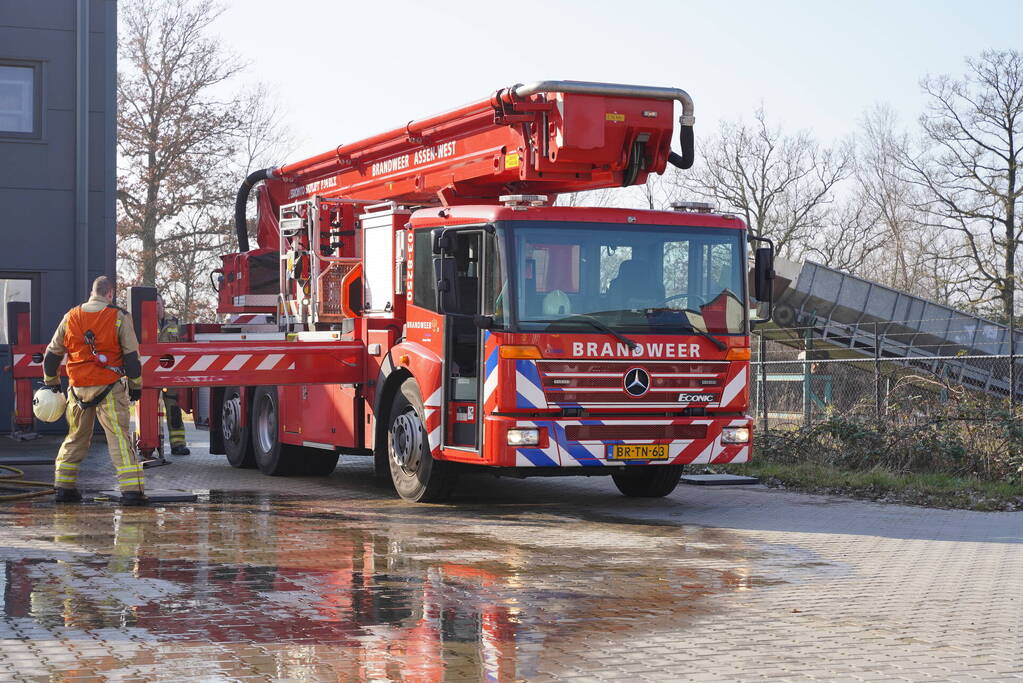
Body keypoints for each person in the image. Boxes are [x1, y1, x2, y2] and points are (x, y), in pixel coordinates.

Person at [42, 276, 146, 506]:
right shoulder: (118, 316)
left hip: (77, 389)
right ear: (110, 293)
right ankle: (132, 492)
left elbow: (51, 357)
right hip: (109, 387)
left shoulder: (71, 316)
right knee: (118, 438)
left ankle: (63, 488)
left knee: (75, 436)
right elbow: (131, 358)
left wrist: (52, 383)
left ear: (92, 292)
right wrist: (136, 386)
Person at [157, 296, 189, 455]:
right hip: (151, 374)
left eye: (158, 303)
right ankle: (149, 444)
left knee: (174, 409)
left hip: (170, 373)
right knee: (149, 411)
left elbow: (181, 347)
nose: (155, 307)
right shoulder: (143, 321)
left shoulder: (175, 322)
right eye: (152, 304)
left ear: (163, 304)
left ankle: (178, 444)